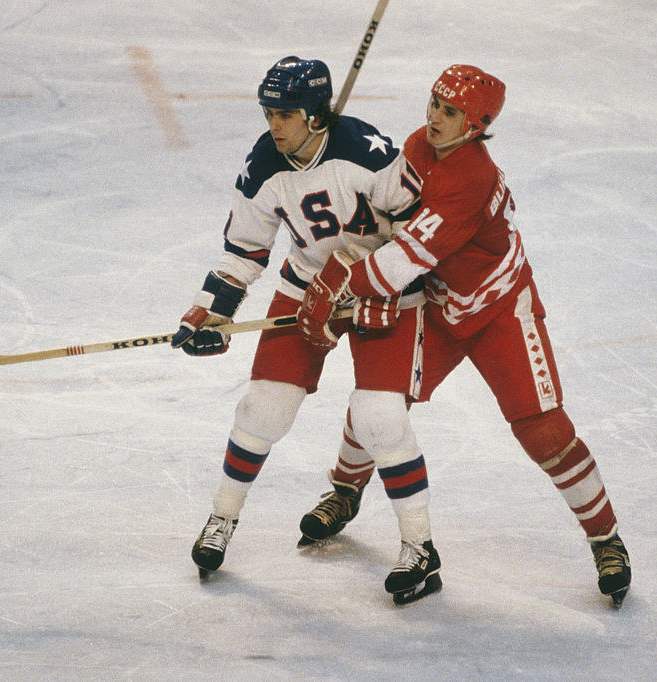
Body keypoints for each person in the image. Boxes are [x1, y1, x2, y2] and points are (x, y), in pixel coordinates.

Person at [296, 64, 632, 607]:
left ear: (475, 126)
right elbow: (387, 223)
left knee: (543, 430)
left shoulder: (470, 177)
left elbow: (403, 260)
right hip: (442, 301)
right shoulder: (417, 148)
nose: (434, 117)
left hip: (499, 308)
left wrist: (341, 280)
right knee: (381, 397)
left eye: (450, 112)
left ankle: (606, 539)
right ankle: (343, 490)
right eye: (434, 103)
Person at [171, 56, 443, 604]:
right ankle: (222, 518)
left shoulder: (371, 154)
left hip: (382, 287)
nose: (274, 124)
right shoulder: (262, 164)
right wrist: (211, 310)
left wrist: (380, 282)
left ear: (316, 116)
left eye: (287, 113)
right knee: (262, 407)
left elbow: (424, 230)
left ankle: (421, 548)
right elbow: (244, 250)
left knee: (380, 418)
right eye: (269, 111)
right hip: (308, 287)